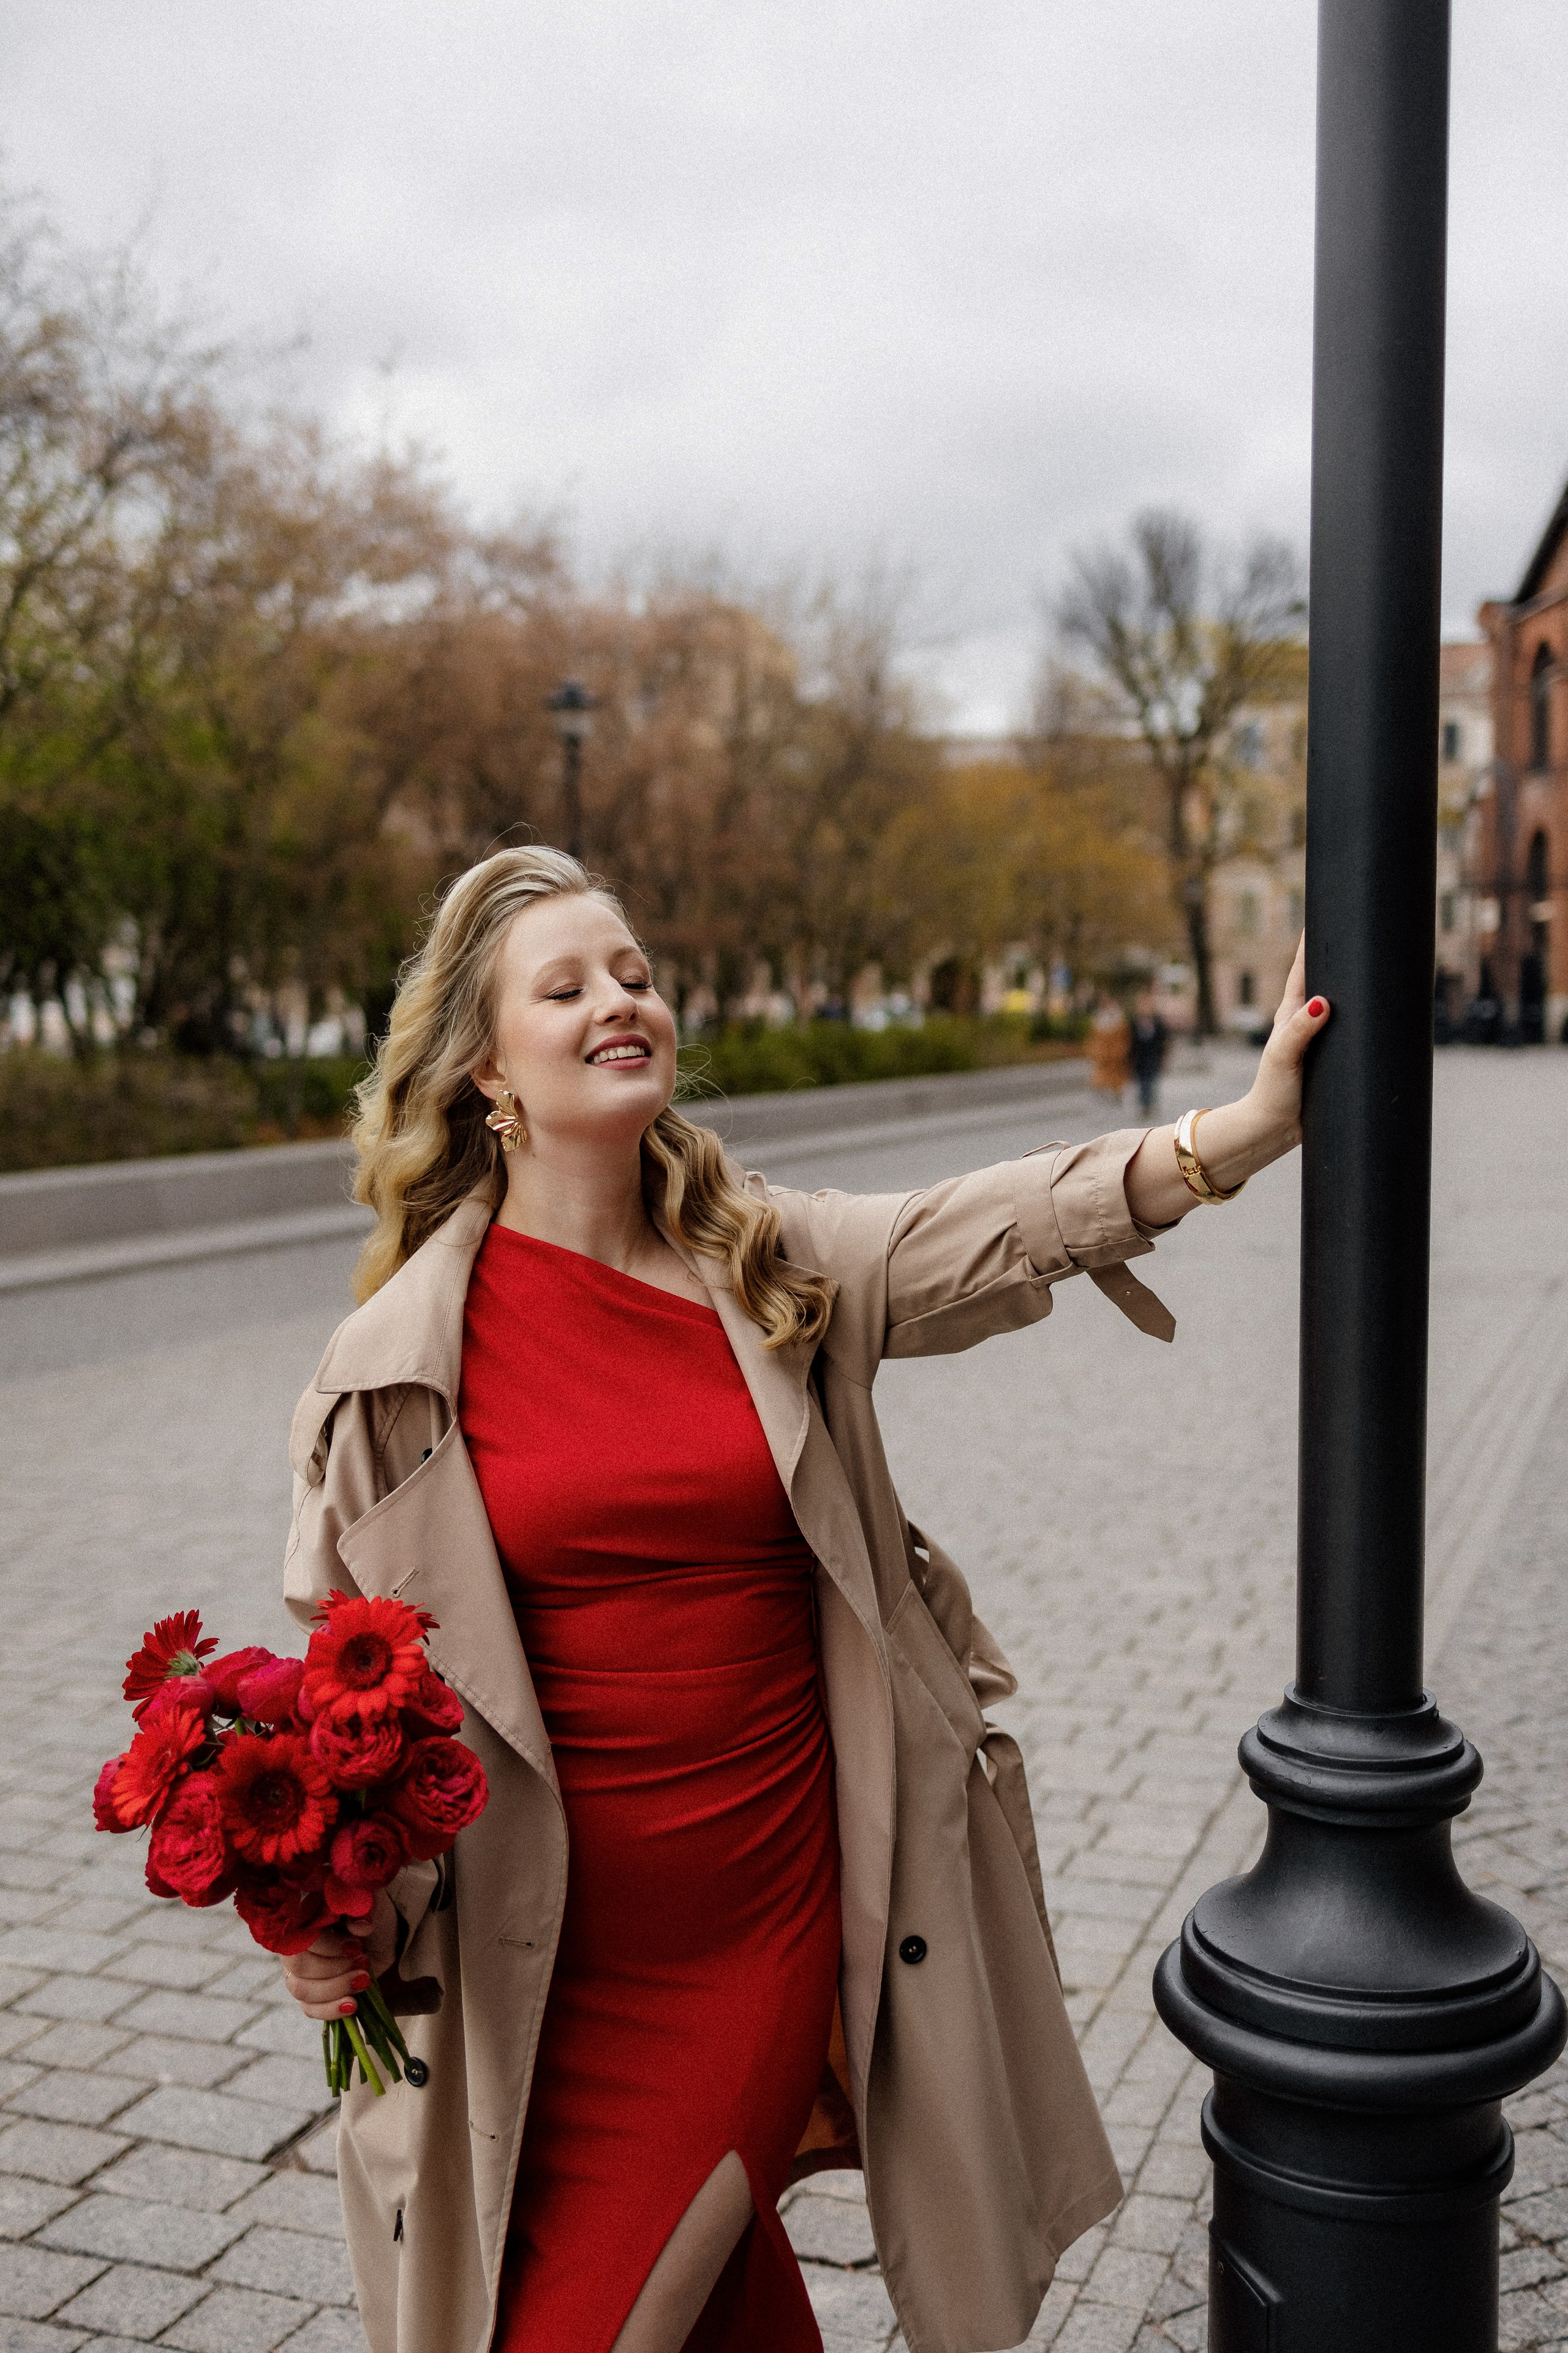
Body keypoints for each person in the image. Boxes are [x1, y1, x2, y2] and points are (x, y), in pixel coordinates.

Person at [276, 847, 1330, 2353]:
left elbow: (981, 1223)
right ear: (480, 1070)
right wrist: (322, 1909)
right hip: (532, 1960)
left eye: (630, 971)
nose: (616, 999)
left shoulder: (757, 1260)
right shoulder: (393, 1360)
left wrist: (1229, 1132)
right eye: (563, 986)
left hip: (749, 1922)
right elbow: (347, 1693)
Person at [1129, 986, 1170, 1117]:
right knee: (1142, 1083)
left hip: (1153, 1057)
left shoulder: (1157, 1022)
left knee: (1152, 1082)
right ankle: (1144, 1105)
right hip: (1140, 1059)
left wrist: (1164, 1057)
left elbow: (1163, 1040)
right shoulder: (1134, 1022)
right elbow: (1130, 1041)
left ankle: (1151, 1104)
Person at [1087, 992, 1132, 1098]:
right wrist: (1096, 1051)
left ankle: (1116, 1092)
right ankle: (1103, 1090)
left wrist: (1121, 1050)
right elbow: (1093, 1039)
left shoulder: (1120, 1021)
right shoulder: (1097, 1021)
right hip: (1102, 1055)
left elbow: (1125, 1038)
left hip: (1116, 1056)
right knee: (1102, 1075)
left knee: (1116, 1076)